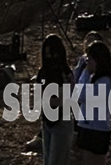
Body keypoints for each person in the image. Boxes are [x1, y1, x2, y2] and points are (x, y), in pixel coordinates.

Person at [72, 40, 111, 164]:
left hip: (97, 131)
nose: (88, 63)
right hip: (88, 127)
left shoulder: (104, 81)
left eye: (90, 60)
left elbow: (81, 95)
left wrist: (84, 73)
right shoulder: (95, 79)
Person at [36, 34, 74, 165]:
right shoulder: (44, 72)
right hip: (47, 120)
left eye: (53, 54)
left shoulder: (65, 73)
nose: (50, 58)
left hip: (62, 120)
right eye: (47, 54)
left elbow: (61, 100)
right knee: (48, 160)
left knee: (57, 160)